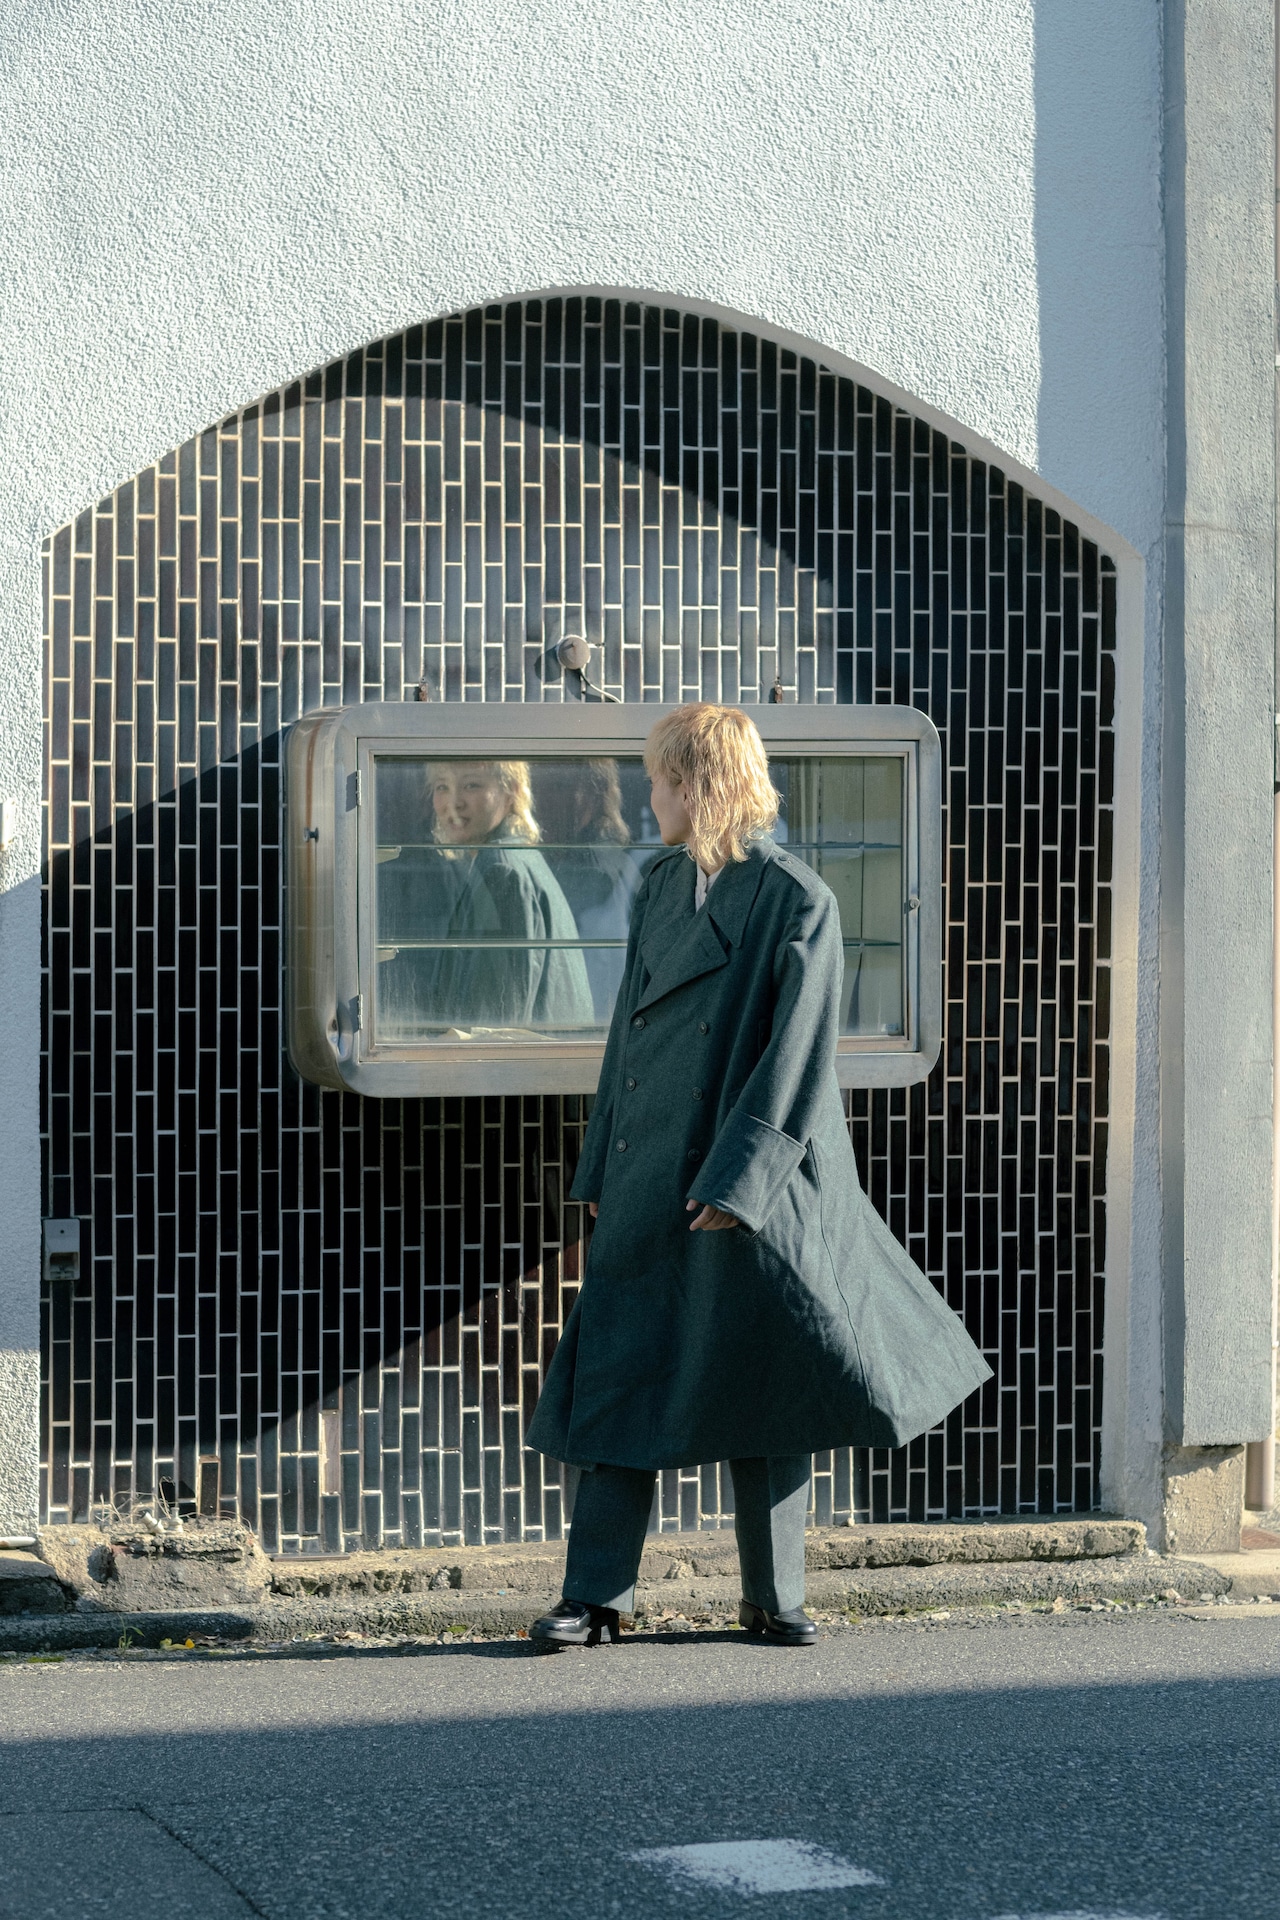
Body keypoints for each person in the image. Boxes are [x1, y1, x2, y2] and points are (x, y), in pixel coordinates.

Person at [525, 704, 992, 1648]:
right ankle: (595, 1597)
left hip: (753, 1177)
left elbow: (799, 1057)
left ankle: (774, 1597)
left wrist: (742, 1180)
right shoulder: (662, 883)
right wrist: (602, 1160)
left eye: (660, 780)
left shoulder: (795, 898)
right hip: (652, 1168)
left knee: (767, 1379)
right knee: (621, 1372)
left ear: (697, 785)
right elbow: (628, 1038)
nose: (649, 797)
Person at [377, 759, 594, 1037]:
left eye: (471, 785)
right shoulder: (516, 859)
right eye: (442, 787)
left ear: (511, 791)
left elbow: (491, 1028)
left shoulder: (501, 872)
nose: (454, 802)